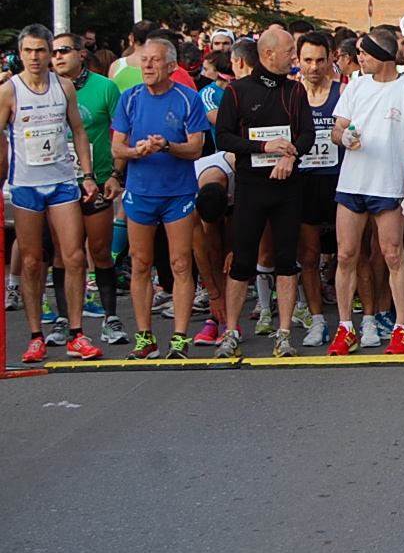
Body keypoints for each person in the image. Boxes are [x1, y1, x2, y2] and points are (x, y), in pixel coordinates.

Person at [327, 28, 404, 357]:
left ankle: (401, 328)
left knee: (392, 256)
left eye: (365, 52)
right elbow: (337, 128)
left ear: (383, 56)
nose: (359, 58)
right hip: (350, 185)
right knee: (346, 256)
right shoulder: (356, 85)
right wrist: (343, 138)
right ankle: (346, 328)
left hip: (388, 187)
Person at [212, 28, 314, 359]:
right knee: (243, 261)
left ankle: (283, 333)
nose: (294, 59)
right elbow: (224, 137)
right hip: (252, 187)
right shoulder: (238, 91)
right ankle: (231, 331)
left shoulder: (295, 91)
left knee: (286, 260)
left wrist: (289, 155)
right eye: (289, 52)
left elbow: (307, 134)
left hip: (287, 187)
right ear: (269, 54)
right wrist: (263, 146)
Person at [2, 25, 102, 363]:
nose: (35, 57)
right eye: (28, 51)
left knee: (74, 256)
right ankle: (35, 336)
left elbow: (78, 131)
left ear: (49, 53)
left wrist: (87, 175)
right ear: (21, 53)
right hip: (26, 185)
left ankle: (76, 334)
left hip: (62, 181)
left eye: (41, 51)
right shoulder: (9, 91)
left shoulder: (64, 87)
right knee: (32, 261)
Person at [111, 36, 211, 359]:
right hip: (140, 192)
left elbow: (196, 148)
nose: (148, 66)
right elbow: (117, 148)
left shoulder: (187, 99)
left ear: (171, 66)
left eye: (155, 60)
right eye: (144, 60)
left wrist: (166, 146)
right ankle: (145, 337)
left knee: (181, 263)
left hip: (178, 192)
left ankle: (180, 337)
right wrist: (136, 151)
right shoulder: (129, 99)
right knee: (140, 263)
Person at [52, 32, 126, 346]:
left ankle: (110, 318)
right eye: (53, 52)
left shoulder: (105, 87)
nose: (57, 57)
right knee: (64, 254)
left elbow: (122, 132)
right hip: (58, 181)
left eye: (64, 51)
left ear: (82, 54)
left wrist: (115, 176)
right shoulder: (44, 89)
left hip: (96, 180)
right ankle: (63, 318)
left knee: (99, 251)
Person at [295, 32, 340, 347]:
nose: (314, 67)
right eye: (308, 60)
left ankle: (358, 319)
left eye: (320, 60)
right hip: (303, 182)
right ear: (297, 61)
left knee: (352, 254)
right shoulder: (289, 95)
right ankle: (317, 319)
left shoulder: (343, 93)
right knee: (309, 256)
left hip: (340, 180)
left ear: (331, 59)